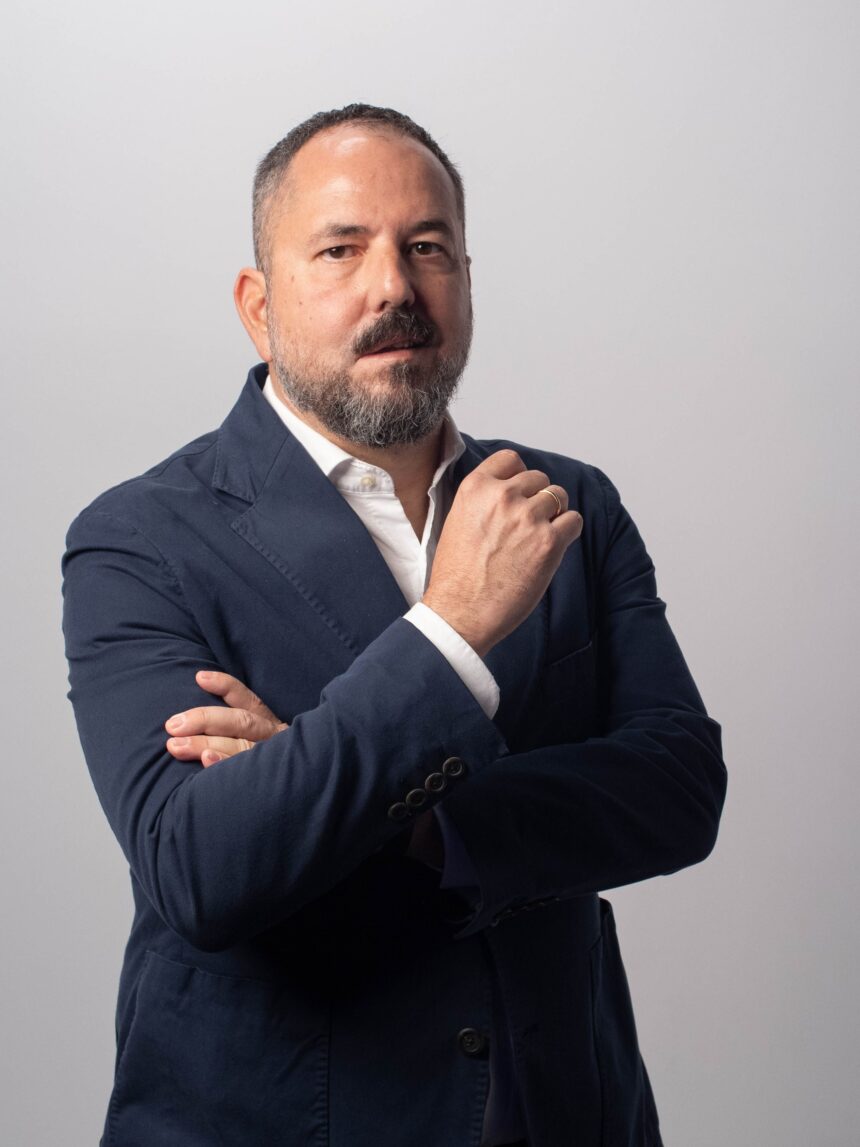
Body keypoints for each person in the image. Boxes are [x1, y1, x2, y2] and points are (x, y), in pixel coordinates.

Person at [62, 103, 727, 1147]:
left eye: (427, 248)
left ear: (465, 278)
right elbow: (200, 866)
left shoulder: (569, 505)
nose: (394, 288)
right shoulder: (141, 536)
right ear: (258, 306)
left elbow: (679, 789)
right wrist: (451, 629)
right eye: (340, 249)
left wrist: (415, 821)